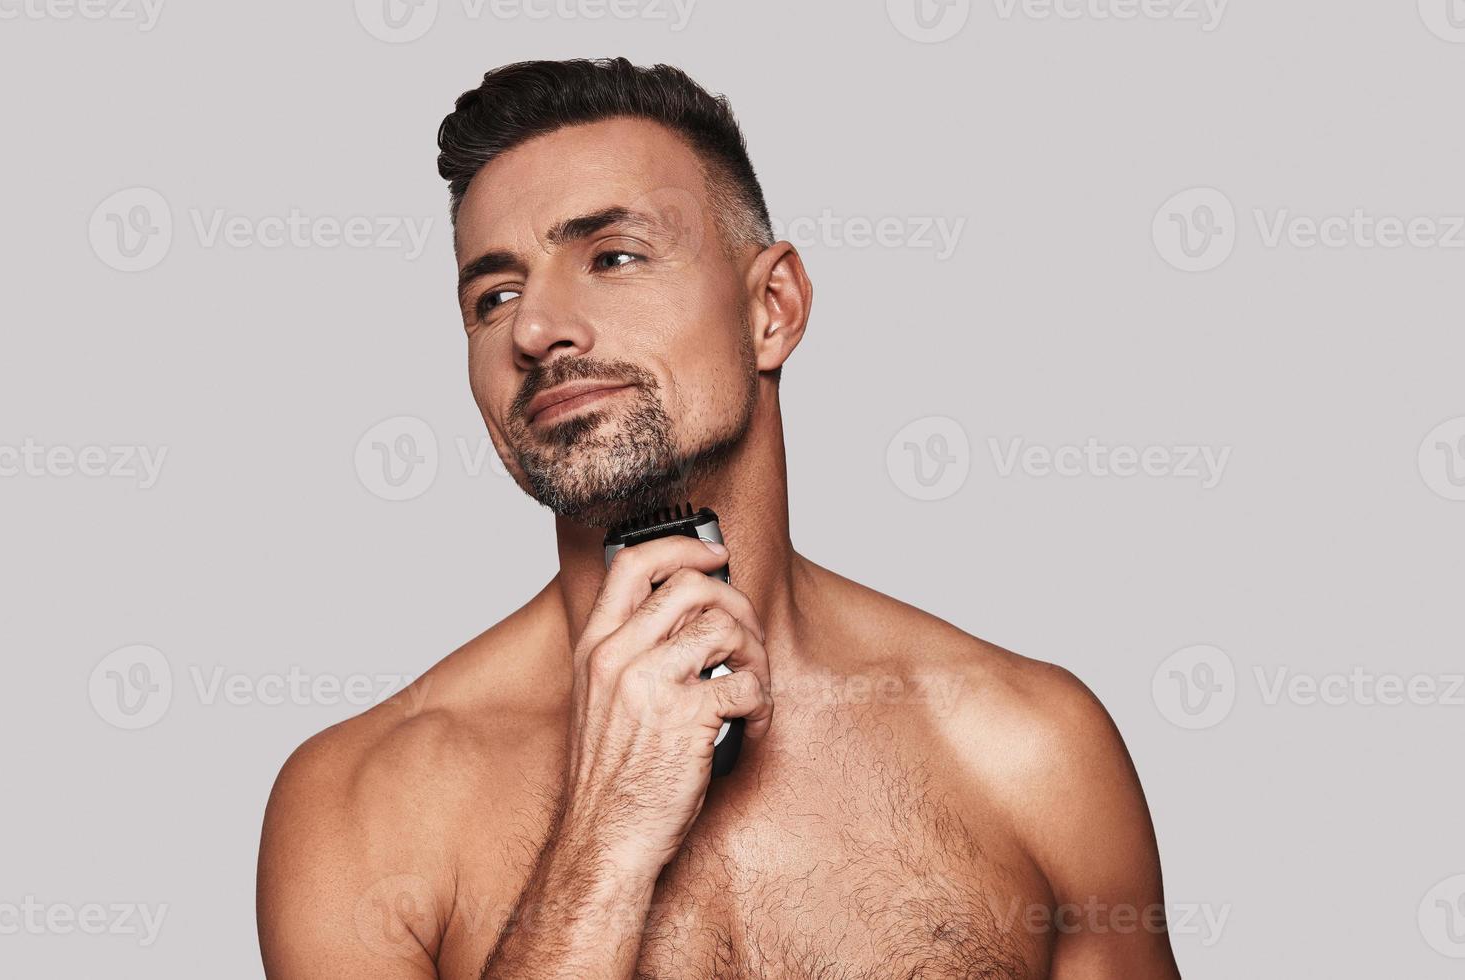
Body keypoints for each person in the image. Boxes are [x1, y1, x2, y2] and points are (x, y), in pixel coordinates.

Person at [257, 57, 1182, 979]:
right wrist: (602, 841)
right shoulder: (358, 806)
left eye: (611, 257)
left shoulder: (1028, 749)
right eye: (492, 297)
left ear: (770, 310)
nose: (534, 329)